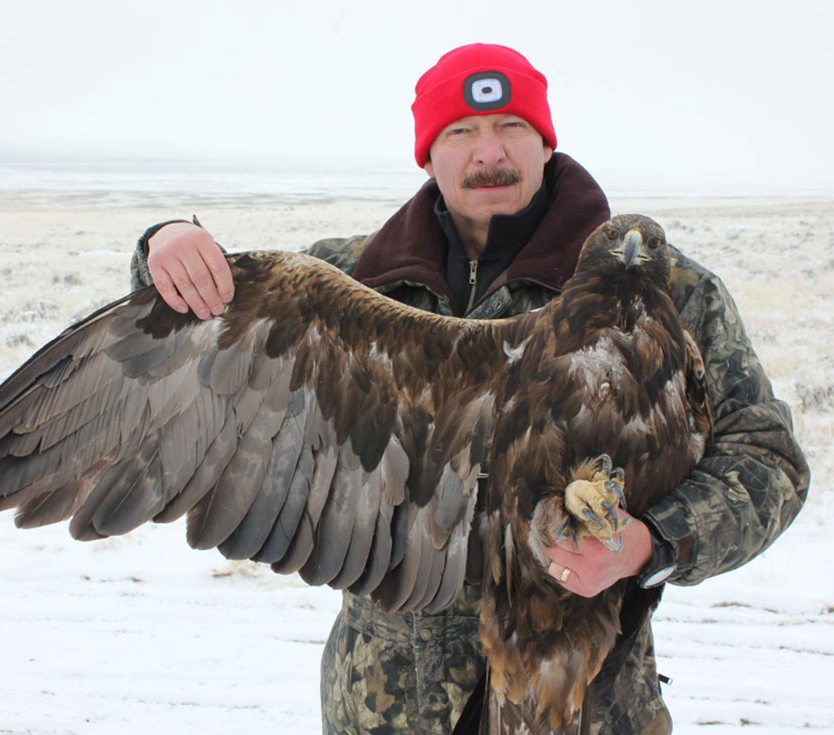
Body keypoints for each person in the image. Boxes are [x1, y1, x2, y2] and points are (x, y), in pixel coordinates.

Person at [129, 44, 809, 735]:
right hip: (382, 711)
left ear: (546, 142)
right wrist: (164, 246)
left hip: (582, 707)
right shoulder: (354, 279)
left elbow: (768, 460)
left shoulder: (664, 290)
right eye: (461, 132)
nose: (489, 152)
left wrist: (655, 541)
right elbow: (194, 338)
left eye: (511, 125)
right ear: (428, 155)